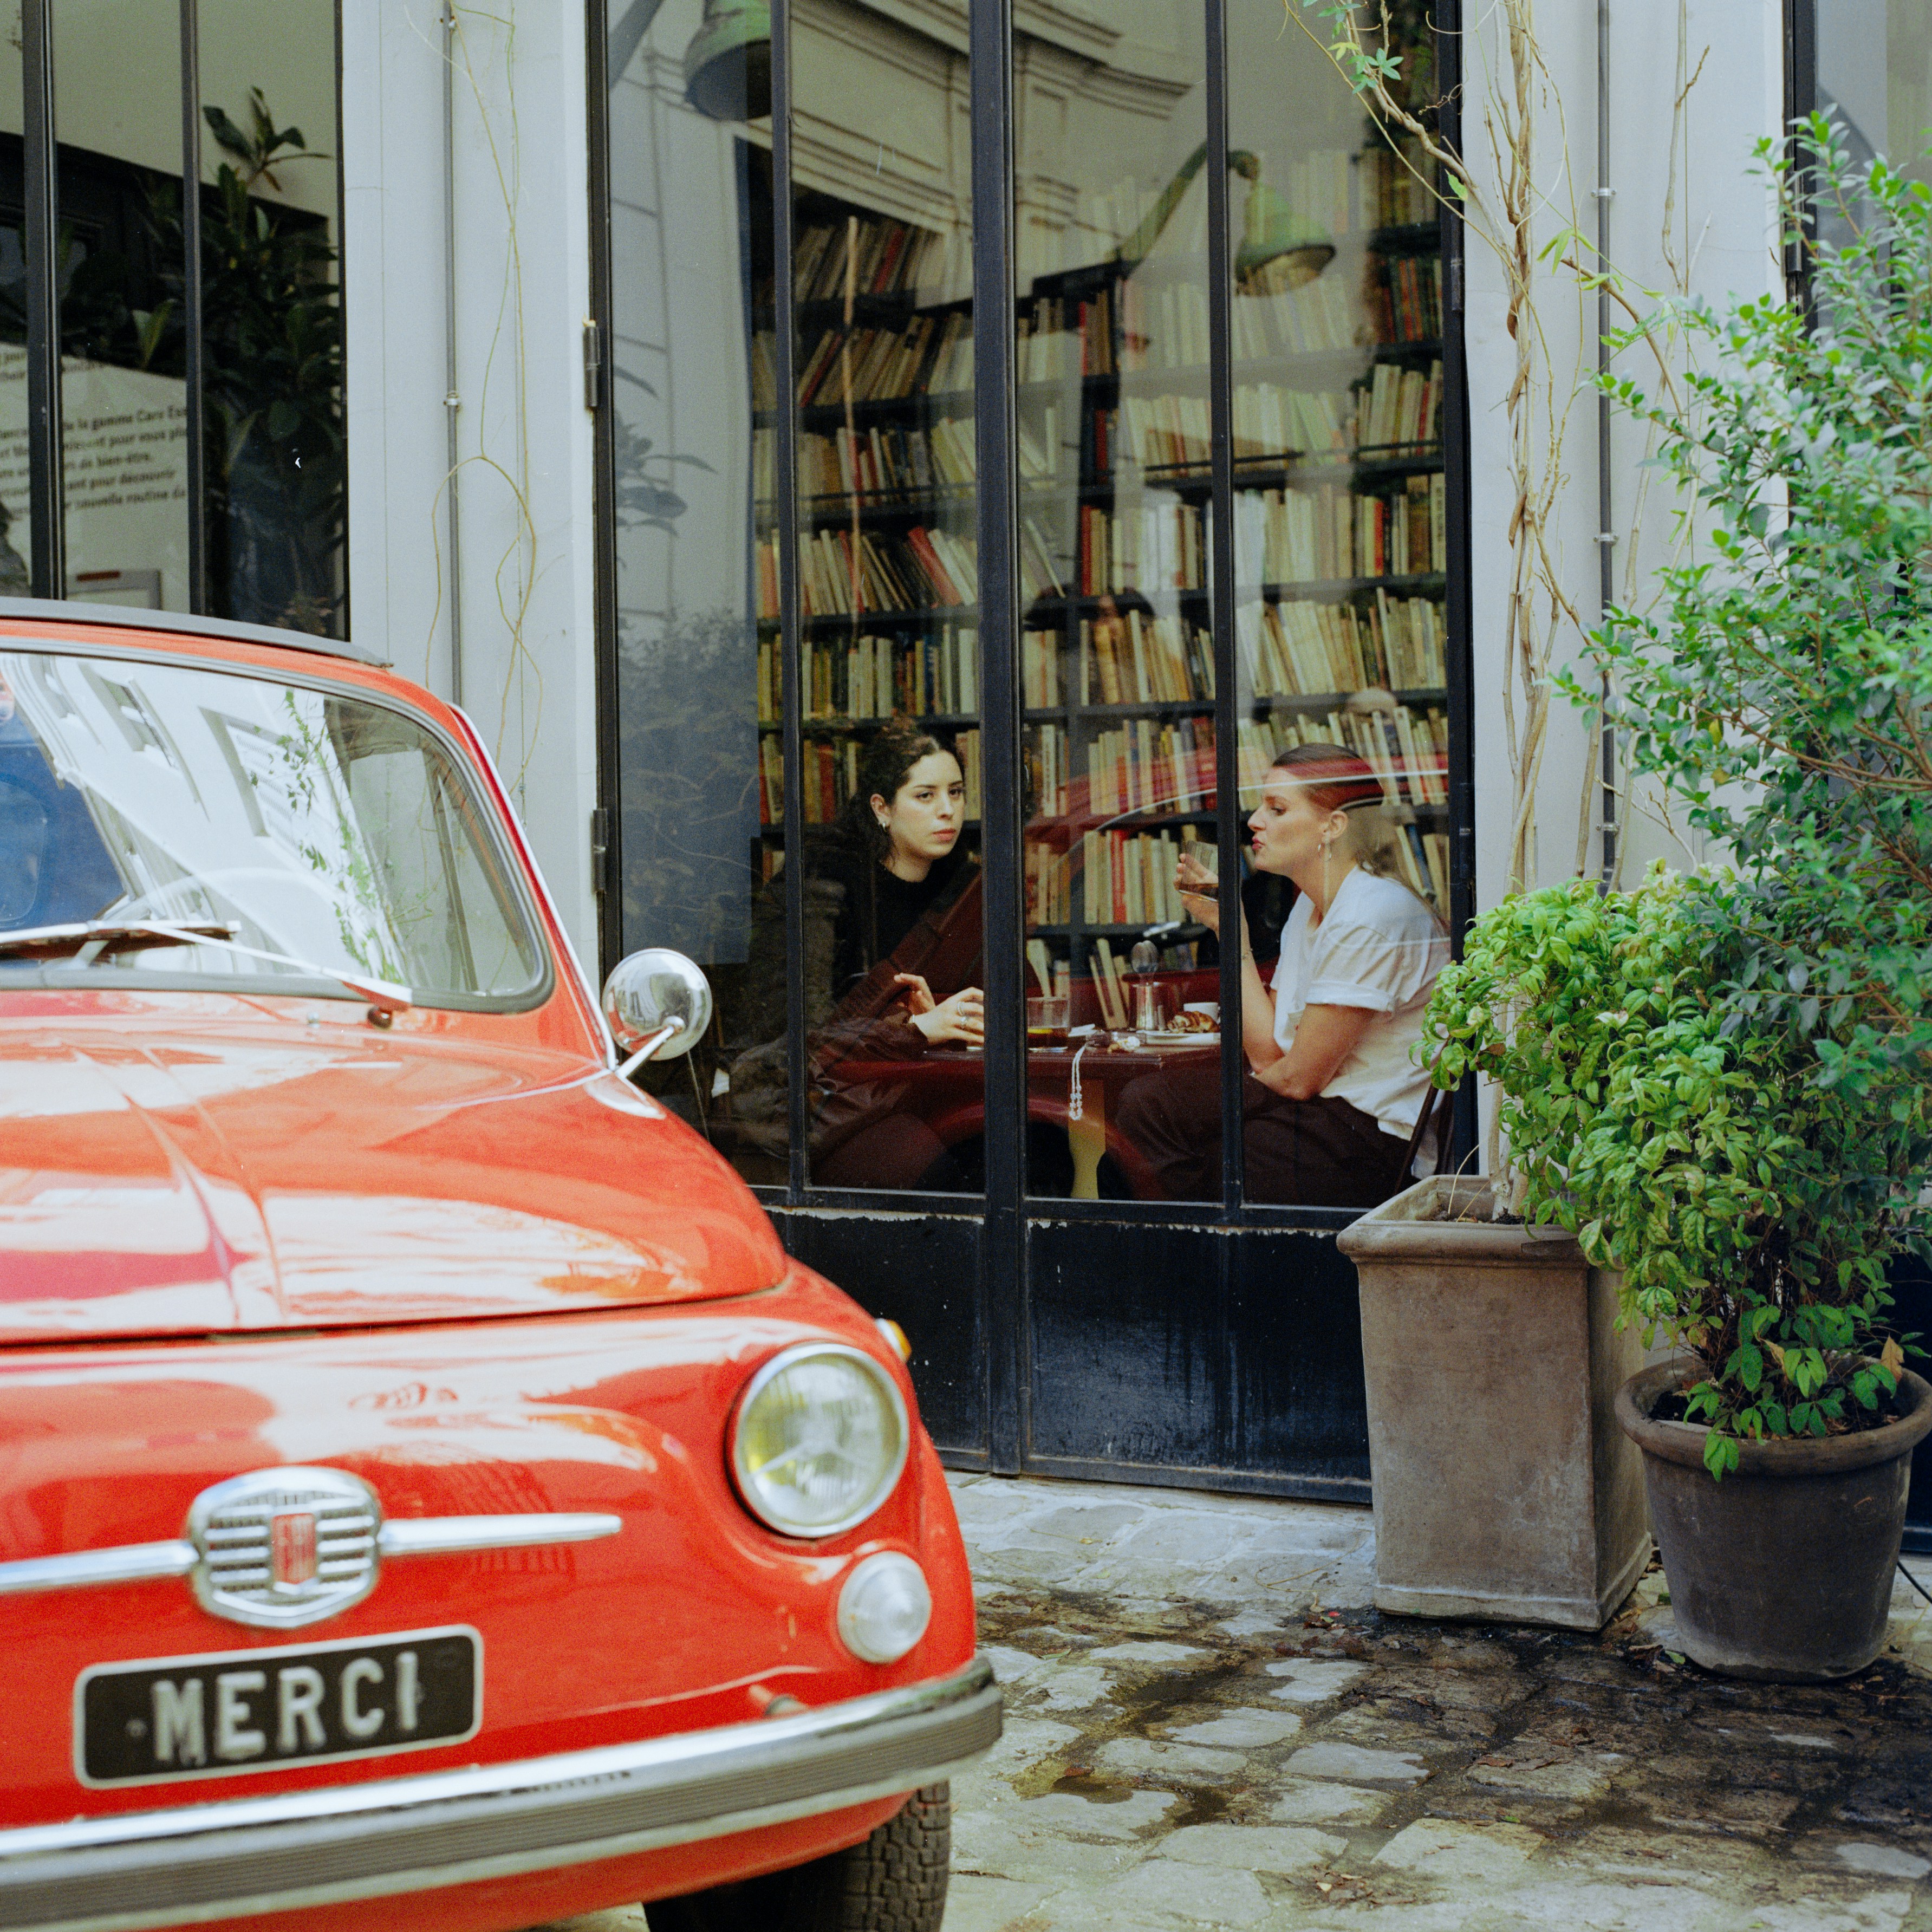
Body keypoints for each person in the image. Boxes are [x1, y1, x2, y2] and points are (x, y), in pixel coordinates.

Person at [1116, 741, 1449, 1206]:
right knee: (1146, 1112)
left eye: (1276, 808)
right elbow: (1269, 1054)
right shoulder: (1310, 908)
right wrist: (1228, 928)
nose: (1254, 820)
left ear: (1332, 826)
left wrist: (1208, 1112)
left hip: (1366, 1139)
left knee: (1174, 1139)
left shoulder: (1372, 913)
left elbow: (1298, 1079)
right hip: (1316, 1113)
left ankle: (1185, 1259)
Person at [731, 720, 985, 1191]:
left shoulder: (963, 884)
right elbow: (794, 1036)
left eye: (956, 792)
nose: (947, 811)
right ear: (881, 808)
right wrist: (915, 1031)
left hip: (918, 1088)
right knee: (950, 1172)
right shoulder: (822, 884)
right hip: (825, 1108)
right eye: (925, 796)